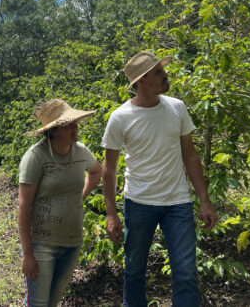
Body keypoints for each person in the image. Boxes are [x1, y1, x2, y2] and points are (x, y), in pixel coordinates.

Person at [101, 51, 218, 307]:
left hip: (178, 203)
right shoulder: (120, 117)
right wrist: (111, 214)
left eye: (162, 70)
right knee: (133, 271)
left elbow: (190, 156)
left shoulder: (176, 107)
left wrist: (204, 200)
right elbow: (108, 169)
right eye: (158, 72)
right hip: (139, 203)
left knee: (186, 273)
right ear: (140, 81)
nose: (165, 75)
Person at [18, 99, 102, 307]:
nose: (75, 126)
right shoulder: (36, 156)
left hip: (72, 242)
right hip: (42, 245)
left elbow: (96, 171)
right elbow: (23, 205)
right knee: (38, 303)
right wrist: (28, 254)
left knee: (53, 301)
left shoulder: (81, 151)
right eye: (68, 123)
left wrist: (79, 197)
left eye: (74, 122)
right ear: (53, 130)